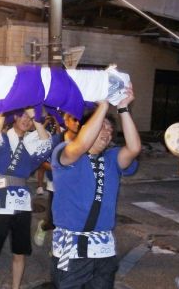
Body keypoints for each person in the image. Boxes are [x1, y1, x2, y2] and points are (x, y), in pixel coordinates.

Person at [50, 84, 141, 288]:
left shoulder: (112, 158)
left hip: (103, 249)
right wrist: (102, 106)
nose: (107, 133)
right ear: (86, 129)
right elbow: (81, 146)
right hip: (71, 249)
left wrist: (124, 108)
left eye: (110, 131)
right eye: (101, 127)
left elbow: (134, 148)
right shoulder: (65, 153)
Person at [0, 108, 53, 289]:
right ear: (15, 117)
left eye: (30, 117)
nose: (27, 120)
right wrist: (4, 109)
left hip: (23, 204)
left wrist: (36, 117)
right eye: (23, 115)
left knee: (20, 252)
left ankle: (15, 287)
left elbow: (46, 143)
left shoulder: (31, 141)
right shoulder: (1, 137)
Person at [34, 112, 80, 247]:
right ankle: (43, 225)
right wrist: (57, 168)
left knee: (71, 219)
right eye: (74, 119)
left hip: (76, 186)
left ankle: (60, 249)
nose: (78, 123)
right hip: (56, 185)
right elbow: (41, 161)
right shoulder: (56, 140)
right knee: (54, 220)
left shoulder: (84, 141)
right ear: (66, 121)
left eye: (80, 120)